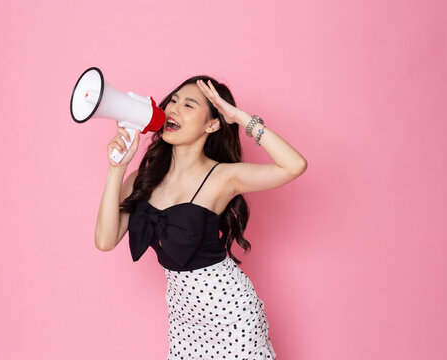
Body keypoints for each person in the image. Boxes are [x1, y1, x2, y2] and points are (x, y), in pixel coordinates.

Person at [95, 75, 307, 359]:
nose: (174, 109)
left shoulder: (222, 177)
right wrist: (116, 168)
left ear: (212, 124)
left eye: (189, 105)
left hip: (232, 316)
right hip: (184, 320)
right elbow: (105, 240)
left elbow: (294, 165)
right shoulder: (143, 178)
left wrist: (240, 118)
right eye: (173, 100)